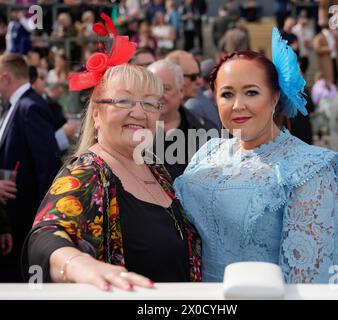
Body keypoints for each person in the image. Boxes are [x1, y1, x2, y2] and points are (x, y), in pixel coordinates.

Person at [22, 17, 201, 289]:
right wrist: (80, 265)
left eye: (151, 104)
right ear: (96, 112)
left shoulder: (155, 168)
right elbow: (44, 238)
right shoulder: (87, 173)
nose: (139, 113)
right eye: (124, 101)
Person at [174, 29, 338, 283]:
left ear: (275, 97)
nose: (238, 105)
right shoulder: (207, 152)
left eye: (251, 92)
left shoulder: (309, 168)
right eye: (227, 94)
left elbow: (310, 277)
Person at [0, 53, 62, 282]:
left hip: (25, 218)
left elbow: (47, 165)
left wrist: (43, 219)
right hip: (12, 219)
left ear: (5, 77)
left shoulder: (30, 106)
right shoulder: (15, 106)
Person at [148, 59, 216, 180]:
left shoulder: (205, 131)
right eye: (152, 89)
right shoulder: (132, 132)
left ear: (181, 91)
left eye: (165, 88)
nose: (158, 95)